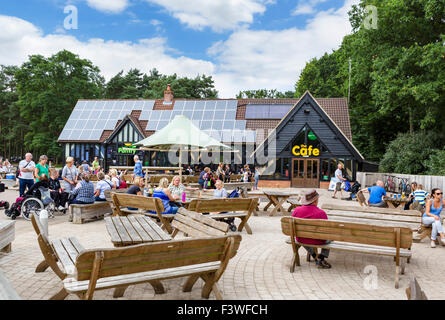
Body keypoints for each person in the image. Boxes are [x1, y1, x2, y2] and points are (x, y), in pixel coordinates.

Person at [292, 189, 332, 269]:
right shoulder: (321, 213)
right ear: (315, 200)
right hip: (318, 241)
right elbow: (327, 231)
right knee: (330, 237)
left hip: (301, 239)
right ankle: (321, 257)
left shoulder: (296, 211)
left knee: (304, 237)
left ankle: (314, 256)